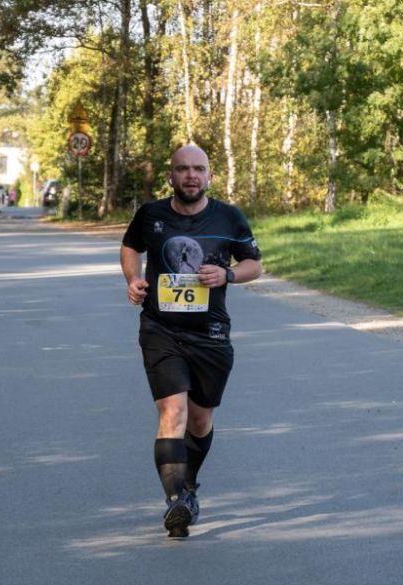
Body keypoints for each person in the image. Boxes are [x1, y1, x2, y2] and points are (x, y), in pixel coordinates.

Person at [120, 144, 263, 538]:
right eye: (182, 169)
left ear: (209, 176)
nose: (190, 176)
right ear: (171, 176)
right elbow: (130, 246)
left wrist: (228, 275)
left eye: (198, 169)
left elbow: (255, 264)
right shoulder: (151, 214)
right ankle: (175, 502)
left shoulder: (229, 218)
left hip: (212, 334)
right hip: (160, 329)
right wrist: (133, 279)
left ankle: (188, 488)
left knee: (200, 421)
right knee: (173, 414)